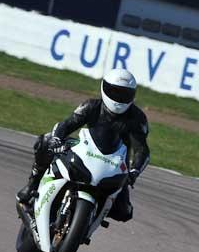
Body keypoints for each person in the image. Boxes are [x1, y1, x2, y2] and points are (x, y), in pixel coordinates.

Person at [16, 68, 150, 222]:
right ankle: (32, 185)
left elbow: (142, 150)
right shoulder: (91, 106)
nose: (118, 98)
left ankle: (93, 216)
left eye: (123, 94)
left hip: (115, 164)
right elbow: (66, 125)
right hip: (84, 149)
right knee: (45, 141)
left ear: (132, 96)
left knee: (124, 212)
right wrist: (57, 140)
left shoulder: (138, 119)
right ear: (104, 88)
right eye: (114, 92)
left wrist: (134, 172)